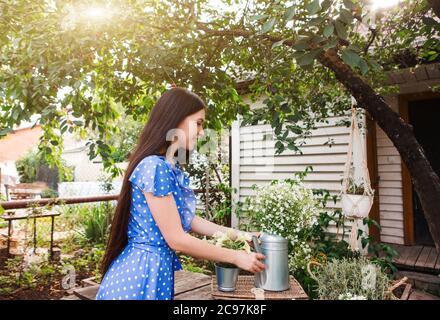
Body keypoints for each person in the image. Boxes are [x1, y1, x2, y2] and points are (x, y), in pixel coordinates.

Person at [96, 87, 265, 300]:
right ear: (175, 120)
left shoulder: (168, 166)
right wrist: (236, 257)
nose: (202, 132)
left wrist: (244, 236)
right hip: (138, 278)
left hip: (152, 273)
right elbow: (177, 239)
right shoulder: (155, 167)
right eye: (199, 123)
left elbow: (189, 220)